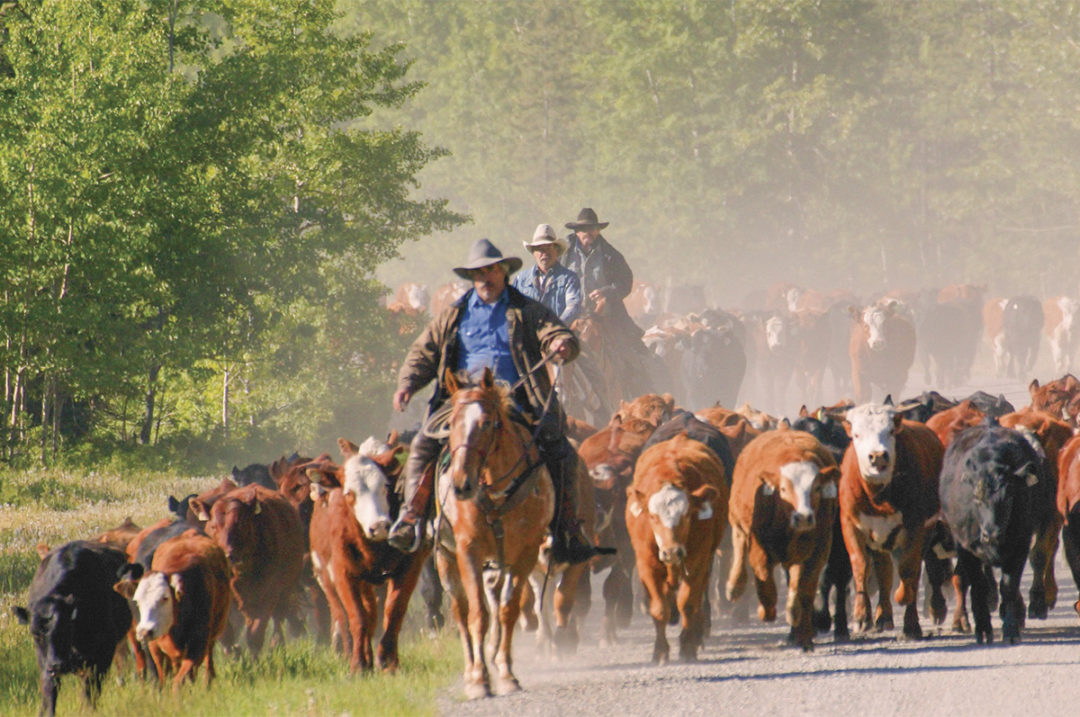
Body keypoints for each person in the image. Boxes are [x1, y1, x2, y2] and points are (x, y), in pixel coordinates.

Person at [388, 238, 602, 564]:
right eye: (478, 273)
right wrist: (407, 383)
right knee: (422, 445)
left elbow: (555, 331)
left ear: (504, 272)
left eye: (490, 271)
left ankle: (568, 528)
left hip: (519, 396)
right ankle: (412, 517)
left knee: (561, 450)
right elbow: (424, 351)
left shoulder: (526, 309)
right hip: (461, 398)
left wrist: (561, 343)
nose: (484, 279)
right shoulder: (455, 313)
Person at [512, 223, 582, 324]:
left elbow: (573, 307)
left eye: (548, 248)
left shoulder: (569, 278)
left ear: (556, 251)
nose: (544, 253)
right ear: (534, 253)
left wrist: (554, 328)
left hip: (559, 335)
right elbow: (513, 307)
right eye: (540, 249)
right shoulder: (521, 279)